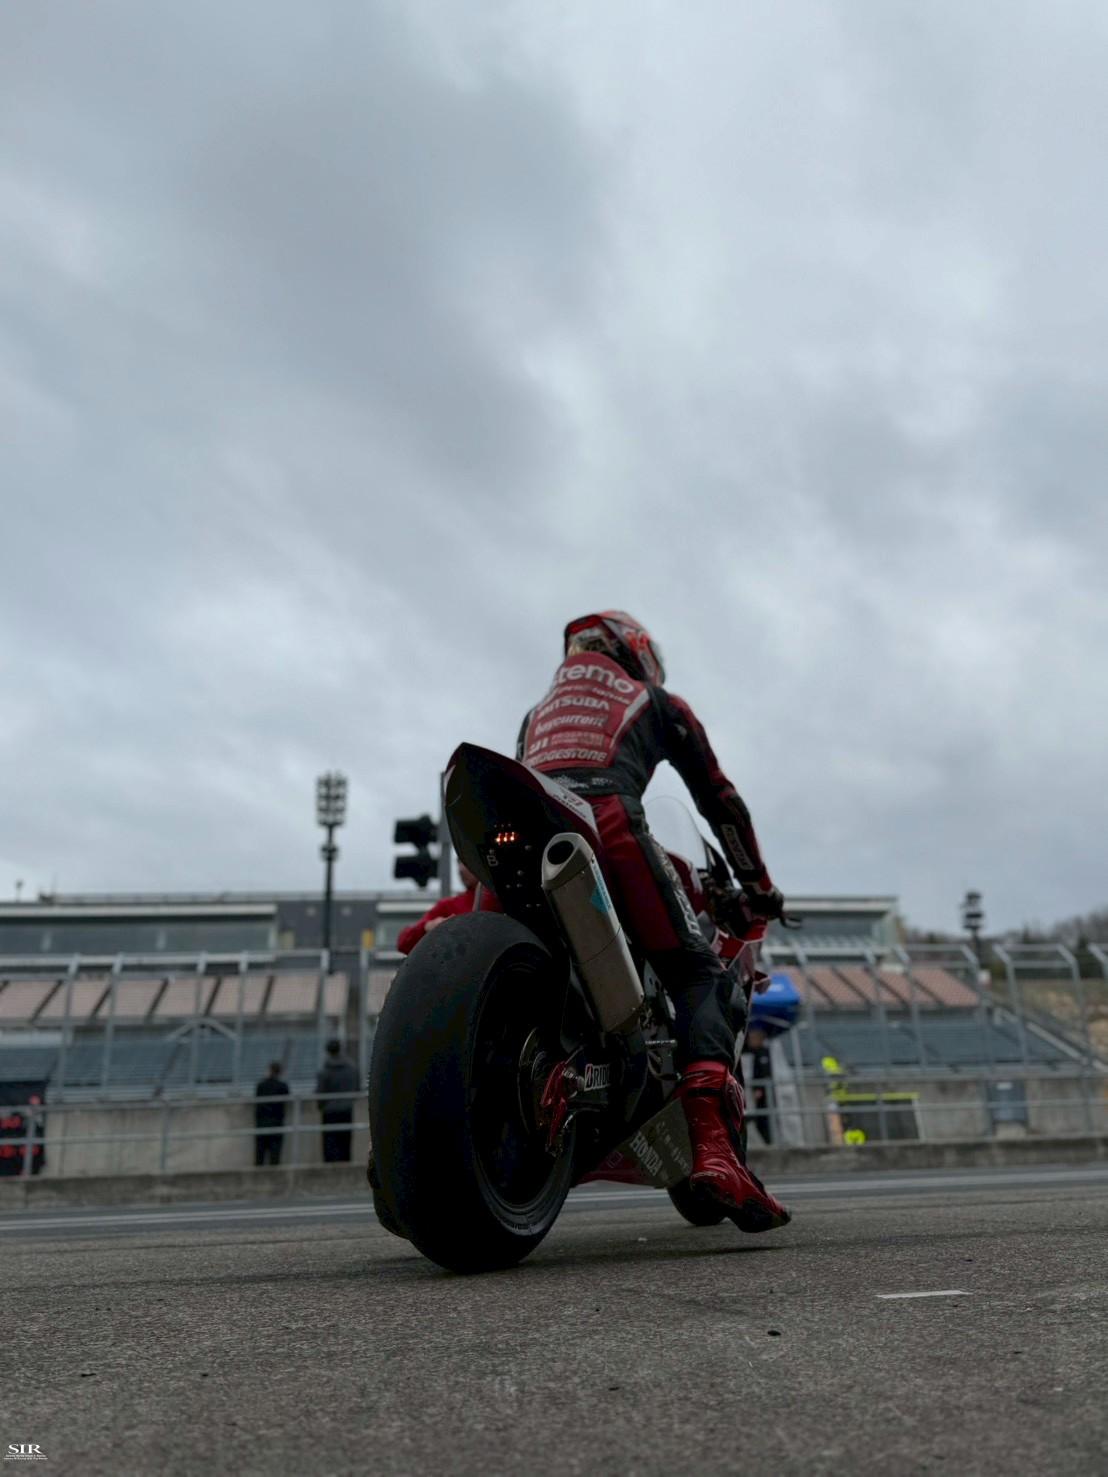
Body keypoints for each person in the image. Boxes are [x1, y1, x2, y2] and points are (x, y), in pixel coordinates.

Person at [517, 610, 790, 1233]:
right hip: (605, 815)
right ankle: (715, 1154)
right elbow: (720, 800)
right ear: (636, 650)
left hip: (527, 830)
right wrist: (759, 887)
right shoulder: (654, 699)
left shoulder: (535, 716)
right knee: (700, 975)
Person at [396, 862, 480, 955]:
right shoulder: (448, 906)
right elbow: (403, 943)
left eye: (466, 861)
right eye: (459, 862)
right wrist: (427, 927)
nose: (461, 869)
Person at [316, 1038, 359, 1163]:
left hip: (329, 1111)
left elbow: (320, 1093)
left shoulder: (325, 1071)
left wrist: (321, 1106)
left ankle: (330, 1167)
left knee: (330, 1144)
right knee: (345, 1142)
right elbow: (356, 1088)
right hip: (346, 1109)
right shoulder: (352, 1068)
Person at [254, 1061, 290, 1167]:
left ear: (269, 1071)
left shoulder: (261, 1085)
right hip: (276, 1122)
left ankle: (258, 1172)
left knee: (260, 1153)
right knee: (275, 1153)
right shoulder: (282, 1086)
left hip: (262, 1123)